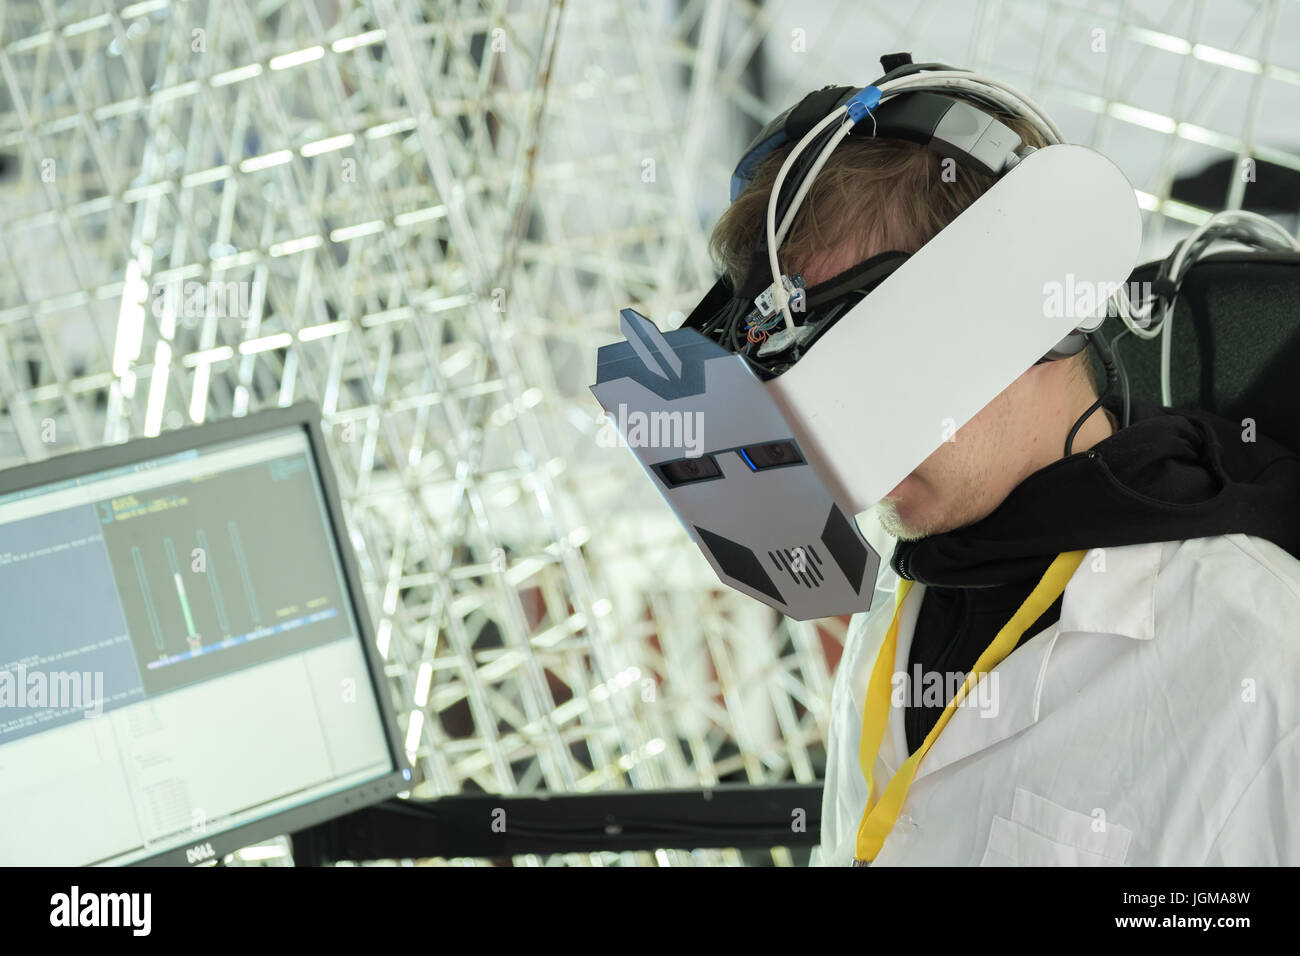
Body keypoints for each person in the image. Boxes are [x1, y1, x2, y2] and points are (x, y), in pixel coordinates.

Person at [708, 96, 1300, 865]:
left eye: (862, 361)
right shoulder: (901, 597)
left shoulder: (1259, 666)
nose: (844, 441)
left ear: (1020, 302)